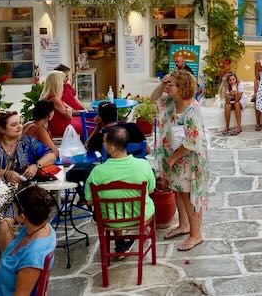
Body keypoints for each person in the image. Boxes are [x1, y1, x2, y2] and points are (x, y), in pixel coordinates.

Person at [0, 111, 56, 288]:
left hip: (17, 195)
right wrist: (5, 173)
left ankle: (6, 267)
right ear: (1, 129)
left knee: (4, 222)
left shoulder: (27, 142)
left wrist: (36, 166)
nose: (19, 126)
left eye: (19, 122)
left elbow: (51, 153)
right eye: (14, 124)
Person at [153, 70, 208, 250]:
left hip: (188, 160)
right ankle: (184, 226)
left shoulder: (192, 110)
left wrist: (172, 158)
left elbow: (192, 141)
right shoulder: (171, 103)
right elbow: (152, 99)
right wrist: (162, 84)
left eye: (172, 84)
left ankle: (196, 235)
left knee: (190, 195)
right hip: (175, 159)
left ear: (182, 87)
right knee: (178, 191)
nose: (168, 86)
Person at [0, 185, 56, 296]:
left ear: (23, 217)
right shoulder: (41, 227)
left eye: (14, 207)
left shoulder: (32, 257)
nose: (12, 210)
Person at [85, 126, 155, 255]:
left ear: (111, 147)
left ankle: (119, 242)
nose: (103, 145)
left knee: (110, 208)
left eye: (104, 142)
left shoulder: (97, 172)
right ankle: (121, 244)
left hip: (108, 219)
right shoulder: (143, 165)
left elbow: (89, 201)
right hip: (140, 216)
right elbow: (150, 190)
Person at [39, 70, 83, 138]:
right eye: (62, 82)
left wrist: (69, 110)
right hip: (61, 128)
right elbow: (68, 116)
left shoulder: (49, 96)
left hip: (57, 126)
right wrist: (69, 110)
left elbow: (70, 109)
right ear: (57, 83)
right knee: (88, 127)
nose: (63, 84)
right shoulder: (54, 99)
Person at [219, 72, 243, 136]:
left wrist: (235, 92)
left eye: (233, 79)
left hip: (239, 101)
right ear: (228, 81)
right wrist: (229, 94)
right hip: (230, 102)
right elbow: (227, 101)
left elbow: (238, 99)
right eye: (230, 80)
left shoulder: (240, 84)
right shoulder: (226, 87)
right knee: (227, 105)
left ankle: (239, 127)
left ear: (236, 79)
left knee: (236, 104)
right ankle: (227, 127)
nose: (232, 81)